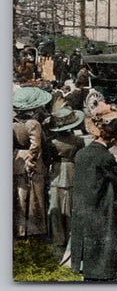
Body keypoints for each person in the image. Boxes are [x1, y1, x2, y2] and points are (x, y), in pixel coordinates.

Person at [70, 118, 117, 281]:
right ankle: (100, 274)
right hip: (100, 205)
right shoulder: (105, 157)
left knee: (87, 239)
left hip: (82, 205)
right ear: (112, 139)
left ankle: (85, 271)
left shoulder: (81, 154)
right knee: (102, 242)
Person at [13, 86, 52, 239]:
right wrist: (32, 160)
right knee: (36, 196)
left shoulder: (13, 122)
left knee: (20, 195)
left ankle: (20, 229)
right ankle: (36, 229)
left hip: (17, 160)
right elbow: (35, 145)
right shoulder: (33, 124)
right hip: (32, 161)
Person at [46, 106, 85, 249]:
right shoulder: (78, 140)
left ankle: (58, 239)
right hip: (72, 171)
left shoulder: (52, 142)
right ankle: (72, 236)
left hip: (56, 173)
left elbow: (47, 159)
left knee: (55, 206)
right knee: (71, 206)